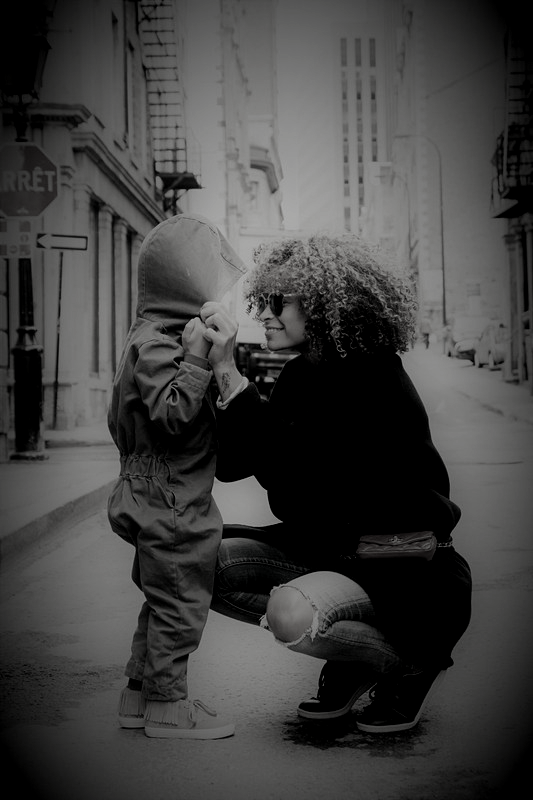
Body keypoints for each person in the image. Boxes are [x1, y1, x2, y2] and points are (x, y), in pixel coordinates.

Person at [200, 233, 472, 733]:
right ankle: (356, 658)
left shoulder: (372, 376)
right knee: (200, 564)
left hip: (397, 569)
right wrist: (214, 373)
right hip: (329, 551)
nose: (264, 315)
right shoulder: (302, 373)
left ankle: (405, 665)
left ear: (324, 307)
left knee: (289, 614)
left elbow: (295, 475)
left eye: (279, 302)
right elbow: (236, 463)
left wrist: (232, 378)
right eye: (263, 300)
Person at [107, 213, 246, 739]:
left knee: (161, 599)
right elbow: (173, 414)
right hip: (172, 497)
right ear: (185, 281)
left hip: (151, 489)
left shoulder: (145, 336)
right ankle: (168, 707)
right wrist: (197, 359)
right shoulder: (164, 344)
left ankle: (138, 695)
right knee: (181, 605)